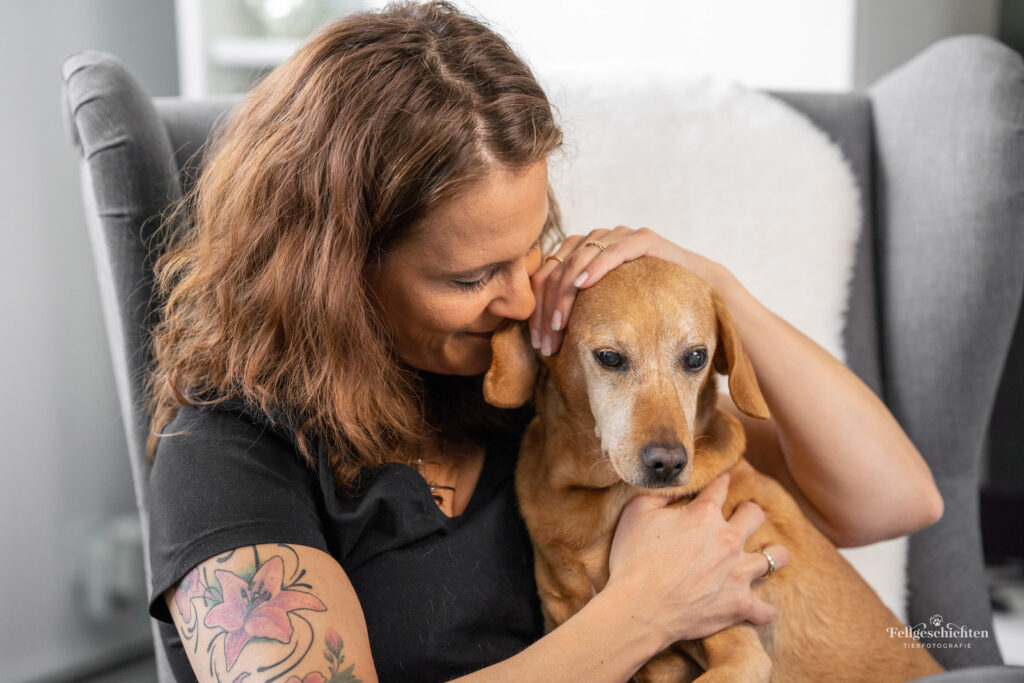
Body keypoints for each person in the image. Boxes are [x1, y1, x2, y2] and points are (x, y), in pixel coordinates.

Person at [146, 2, 944, 681]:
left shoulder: (543, 373)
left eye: (532, 247)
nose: (527, 296)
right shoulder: (230, 455)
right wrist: (645, 609)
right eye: (472, 277)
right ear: (333, 273)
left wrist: (712, 284)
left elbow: (894, 500)